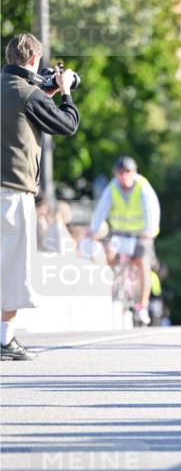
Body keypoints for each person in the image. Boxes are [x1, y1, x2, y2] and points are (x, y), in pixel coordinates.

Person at [1, 32, 80, 360]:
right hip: (12, 194)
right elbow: (67, 124)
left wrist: (43, 93)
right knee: (13, 270)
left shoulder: (15, 90)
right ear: (34, 59)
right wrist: (65, 91)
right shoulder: (28, 94)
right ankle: (5, 339)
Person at [88, 156, 160, 326]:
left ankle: (142, 305)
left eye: (127, 171)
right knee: (109, 253)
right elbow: (102, 209)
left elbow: (152, 208)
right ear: (116, 173)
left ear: (134, 172)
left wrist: (149, 231)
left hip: (141, 234)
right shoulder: (112, 187)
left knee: (142, 264)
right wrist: (93, 230)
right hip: (120, 233)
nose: (124, 175)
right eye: (120, 172)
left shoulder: (142, 186)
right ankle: (117, 282)